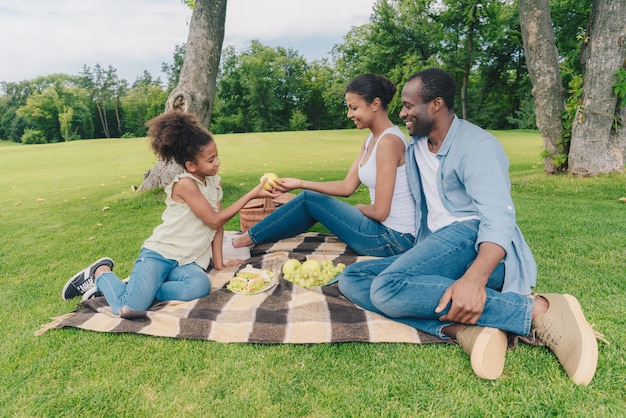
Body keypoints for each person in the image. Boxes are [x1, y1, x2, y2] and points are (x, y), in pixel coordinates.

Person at [338, 68, 599, 385]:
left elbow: (498, 217)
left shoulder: (477, 147)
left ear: (436, 105)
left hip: (475, 245)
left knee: (386, 288)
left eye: (409, 105)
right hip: (438, 249)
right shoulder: (417, 146)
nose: (402, 112)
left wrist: (475, 279)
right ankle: (462, 328)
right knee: (353, 277)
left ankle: (535, 310)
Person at [62, 110, 279, 315]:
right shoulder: (186, 184)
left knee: (199, 287)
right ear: (191, 166)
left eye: (217, 156)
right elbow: (214, 221)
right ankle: (101, 273)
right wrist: (252, 194)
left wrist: (220, 264)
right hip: (160, 254)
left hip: (189, 262)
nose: (217, 163)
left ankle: (144, 287)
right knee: (126, 308)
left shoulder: (215, 183)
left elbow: (219, 227)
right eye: (211, 160)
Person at [232, 74, 416, 257]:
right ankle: (253, 239)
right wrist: (300, 183)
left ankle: (243, 241)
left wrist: (359, 209)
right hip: (383, 232)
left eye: (354, 108)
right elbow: (347, 186)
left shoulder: (389, 143)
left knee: (309, 200)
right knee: (309, 200)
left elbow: (381, 211)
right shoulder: (372, 140)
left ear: (375, 104)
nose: (349, 114)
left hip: (392, 239)